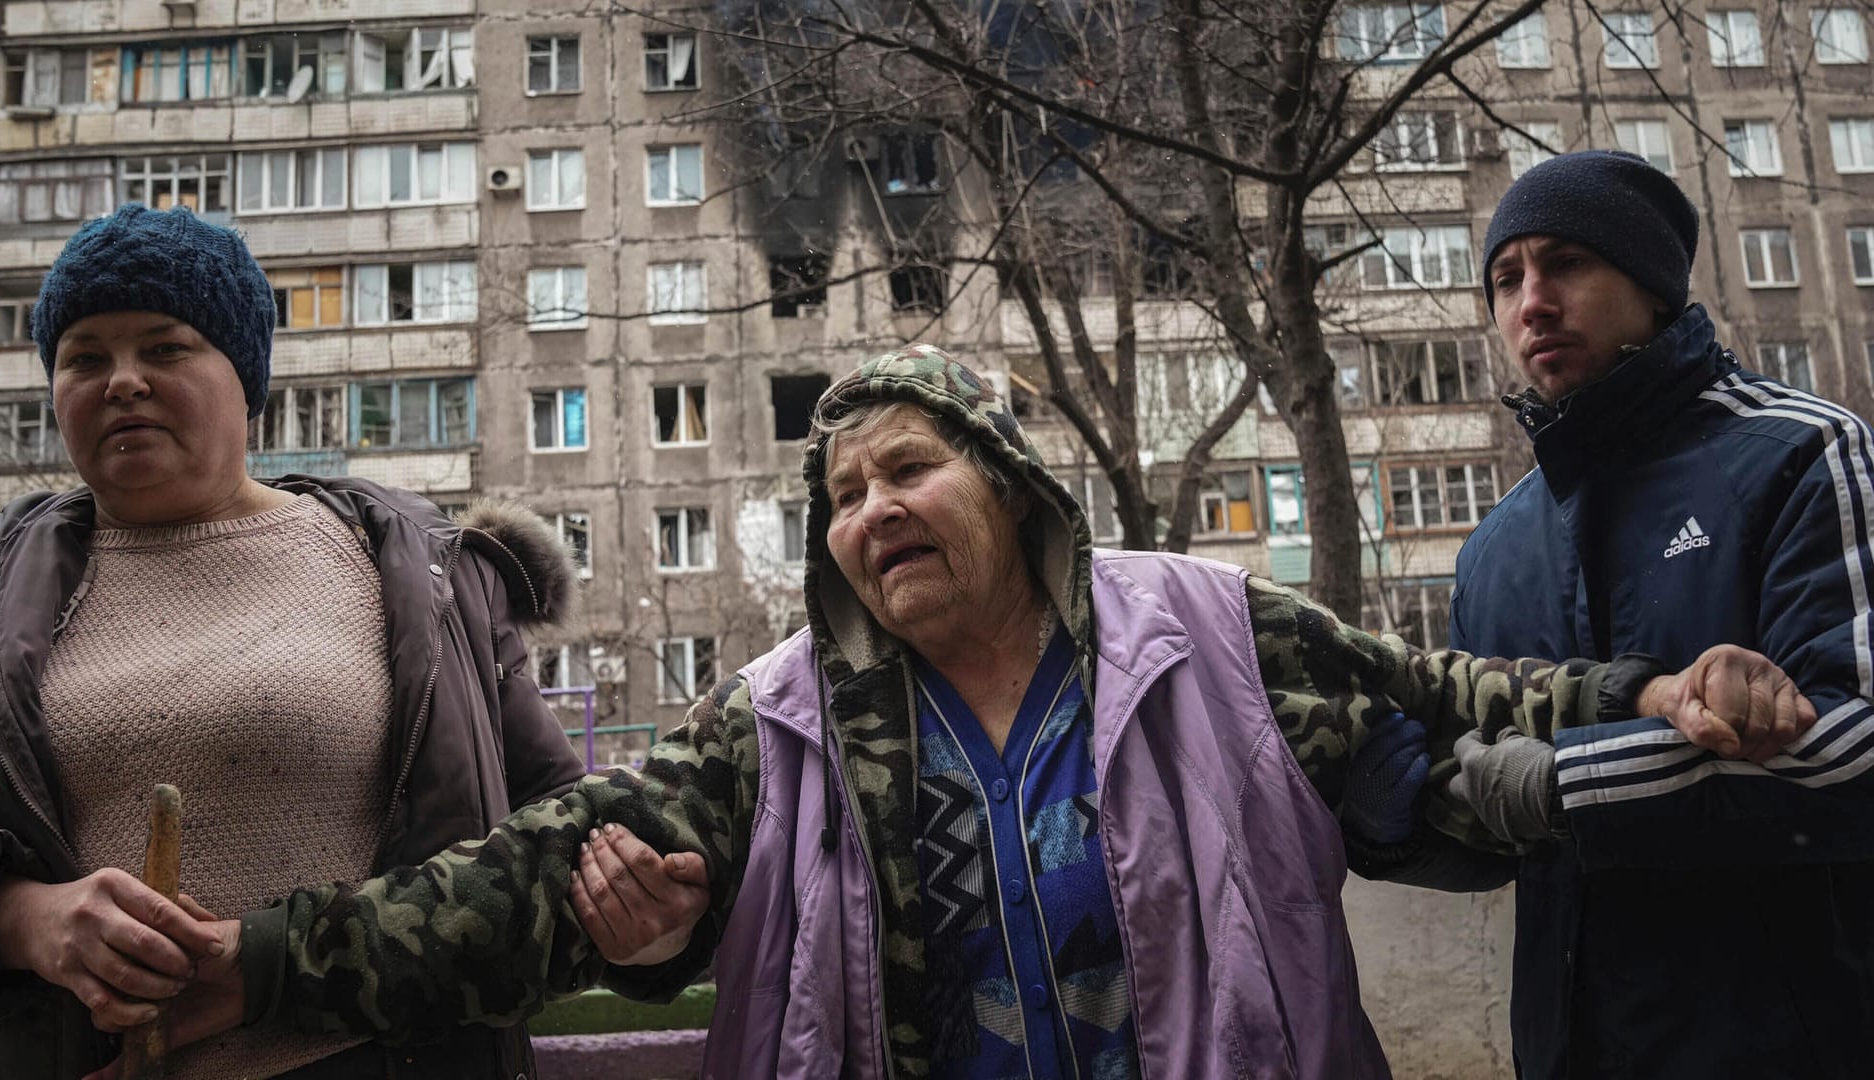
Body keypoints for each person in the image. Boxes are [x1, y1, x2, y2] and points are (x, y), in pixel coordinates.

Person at [126, 347, 1807, 1078]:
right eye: (842, 494)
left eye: (908, 465)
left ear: (1008, 482)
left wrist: (1651, 687)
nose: (872, 510)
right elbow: (514, 892)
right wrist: (268, 960)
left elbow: (1439, 695)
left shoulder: (1208, 630)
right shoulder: (776, 718)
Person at [0, 203, 611, 1078]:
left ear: (246, 376)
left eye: (165, 346)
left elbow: (567, 843)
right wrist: (13, 918)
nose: (121, 380)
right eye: (84, 357)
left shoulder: (424, 575)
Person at [1442, 149, 1874, 1079]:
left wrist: (1565, 785)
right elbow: (1475, 782)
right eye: (1507, 279)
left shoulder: (1801, 454)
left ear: (1648, 282)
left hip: (1788, 1044)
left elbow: (1862, 744)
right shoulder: (1491, 551)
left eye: (1567, 264)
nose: (1533, 304)